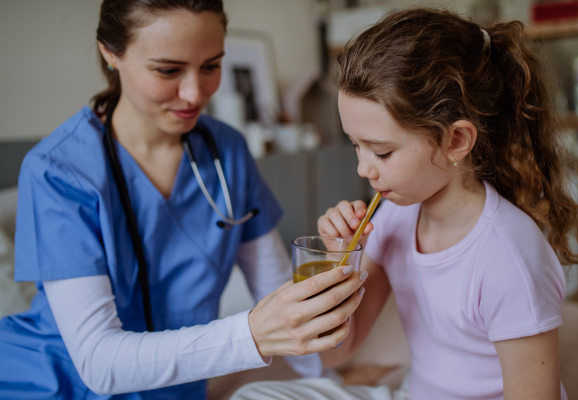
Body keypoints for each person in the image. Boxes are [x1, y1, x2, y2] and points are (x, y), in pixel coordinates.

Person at [0, 1, 368, 398]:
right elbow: (97, 363)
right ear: (111, 53)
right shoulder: (58, 170)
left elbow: (275, 290)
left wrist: (330, 383)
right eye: (168, 70)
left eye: (211, 66)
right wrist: (253, 335)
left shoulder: (227, 152)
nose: (195, 93)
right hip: (56, 383)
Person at [231, 8, 578, 400]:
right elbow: (340, 354)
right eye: (356, 145)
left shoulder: (508, 257)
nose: (363, 169)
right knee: (253, 396)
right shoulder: (395, 217)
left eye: (382, 152)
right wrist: (339, 261)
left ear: (456, 141)